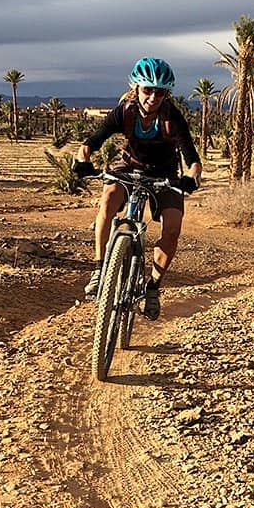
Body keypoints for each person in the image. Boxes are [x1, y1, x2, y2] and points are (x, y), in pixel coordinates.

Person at [73, 57, 202, 320]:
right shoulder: (125, 111)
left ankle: (152, 287)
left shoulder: (171, 116)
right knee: (108, 198)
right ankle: (100, 270)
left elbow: (192, 158)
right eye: (148, 89)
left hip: (166, 175)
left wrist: (190, 178)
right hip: (129, 167)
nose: (153, 97)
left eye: (161, 91)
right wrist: (82, 160)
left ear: (167, 93)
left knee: (173, 227)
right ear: (136, 88)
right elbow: (93, 141)